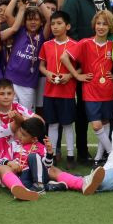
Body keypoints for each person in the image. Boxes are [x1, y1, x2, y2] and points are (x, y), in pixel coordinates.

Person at [63, 10, 113, 162]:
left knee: (105, 122)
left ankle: (99, 157)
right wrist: (77, 75)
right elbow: (64, 57)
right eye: (98, 23)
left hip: (107, 90)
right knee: (96, 125)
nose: (101, 27)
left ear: (110, 27)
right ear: (94, 25)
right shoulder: (85, 43)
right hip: (91, 90)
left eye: (105, 24)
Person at [0, 0, 49, 109]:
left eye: (36, 20)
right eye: (30, 20)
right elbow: (8, 14)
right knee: (8, 113)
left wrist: (38, 0)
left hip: (28, 84)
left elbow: (50, 19)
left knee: (25, 115)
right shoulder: (20, 31)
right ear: (25, 21)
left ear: (41, 22)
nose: (33, 22)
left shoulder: (43, 35)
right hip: (11, 80)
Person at [39, 10, 78, 162]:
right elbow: (41, 66)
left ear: (67, 26)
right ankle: (53, 154)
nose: (55, 27)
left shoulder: (75, 45)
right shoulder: (46, 45)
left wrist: (70, 75)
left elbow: (82, 67)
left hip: (67, 93)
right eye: (53, 24)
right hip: (50, 92)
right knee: (52, 124)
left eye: (59, 23)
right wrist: (47, 73)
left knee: (67, 124)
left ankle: (70, 155)